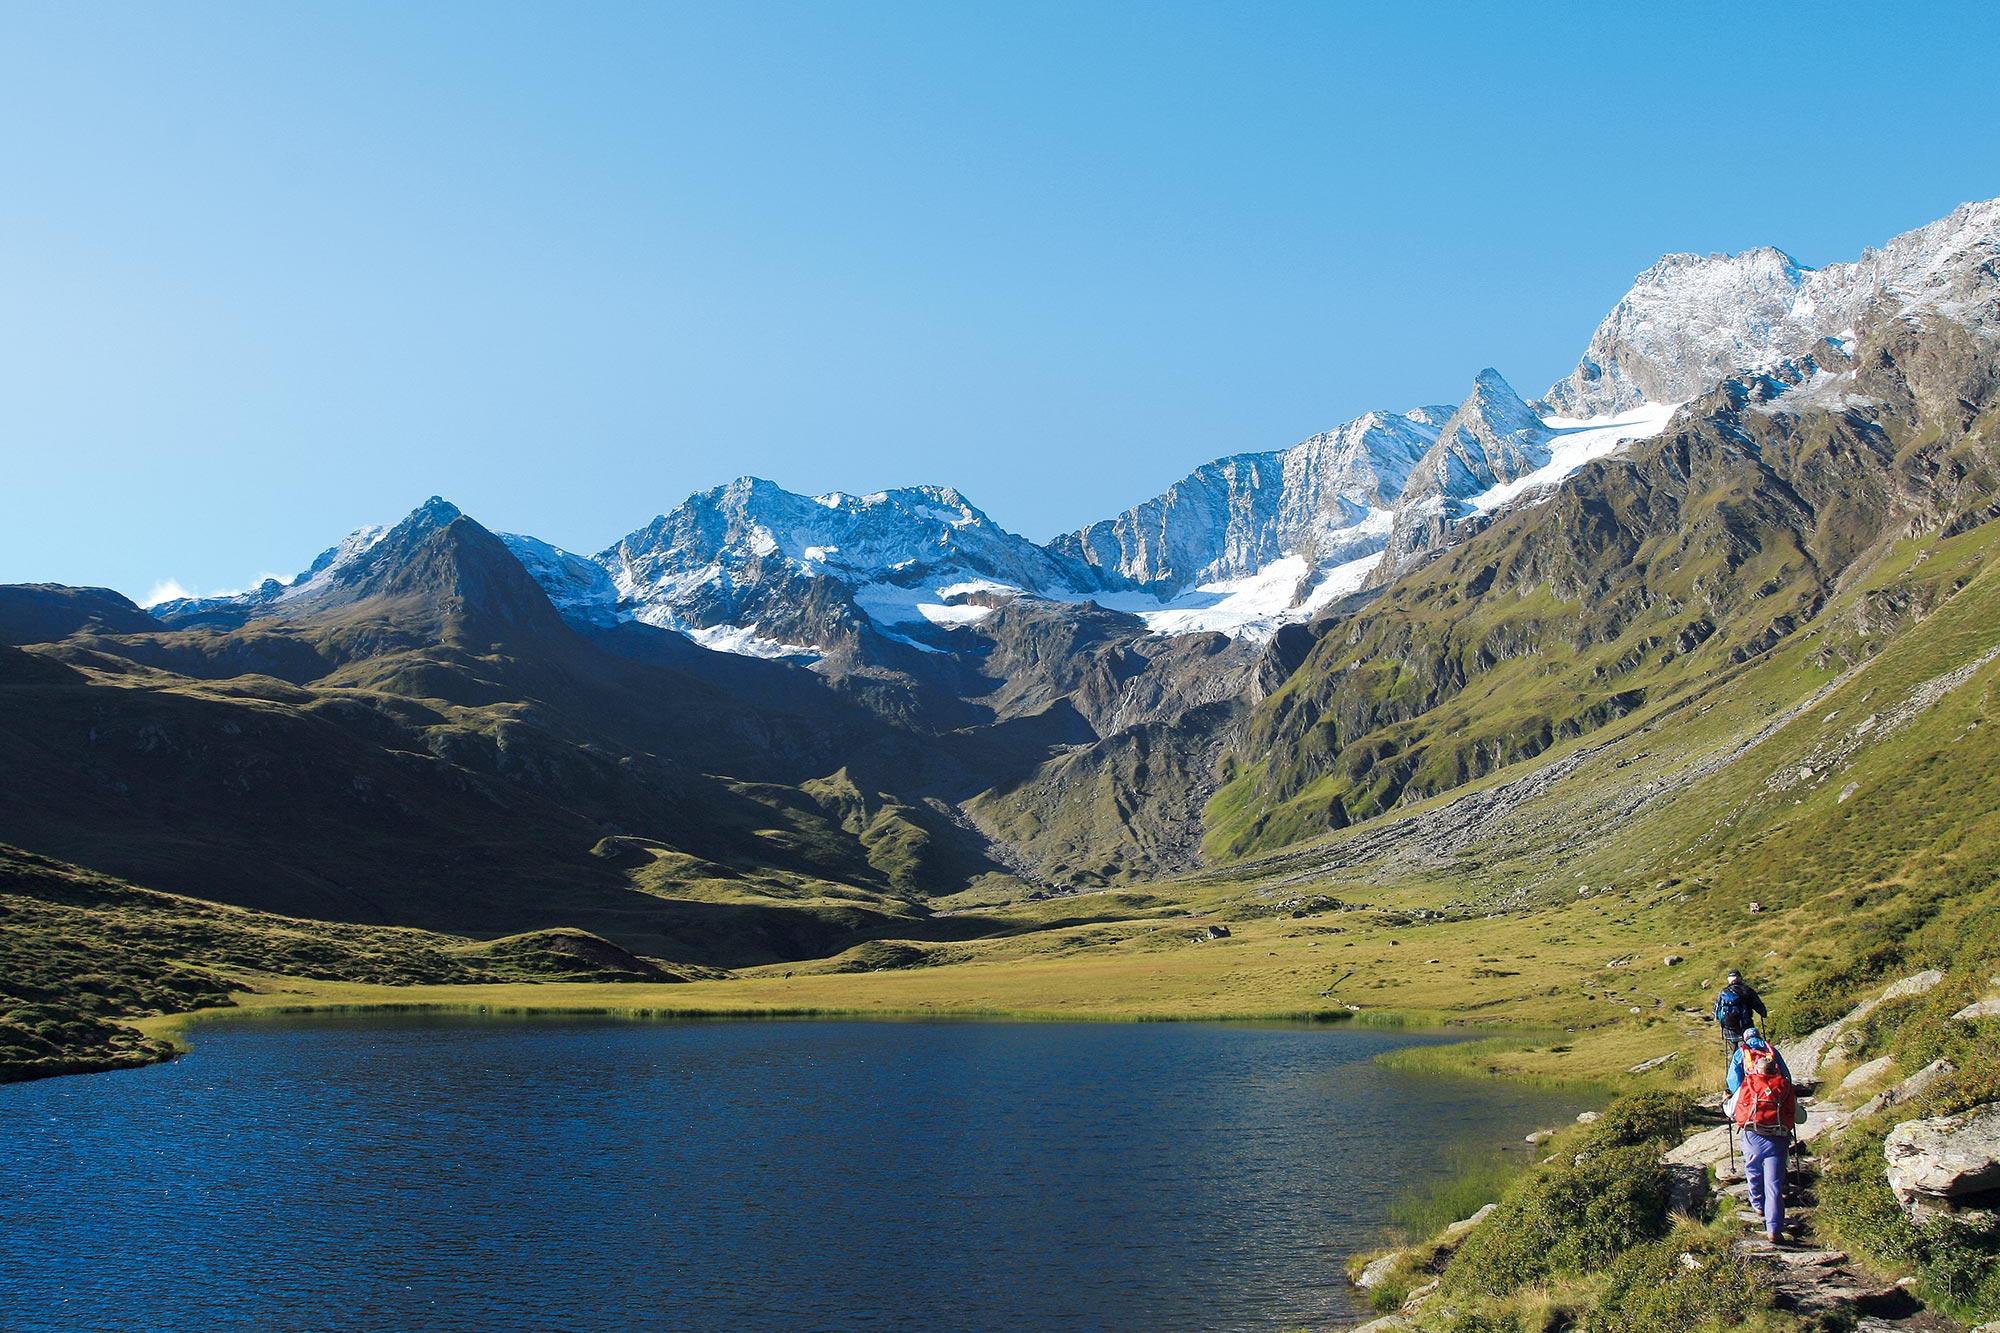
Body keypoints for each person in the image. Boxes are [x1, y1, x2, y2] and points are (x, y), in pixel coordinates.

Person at [1727, 1028, 1797, 1243]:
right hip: (1777, 1137)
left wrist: (1732, 1097)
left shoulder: (1745, 1066)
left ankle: (1757, 1205)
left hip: (1752, 1133)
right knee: (1774, 1184)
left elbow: (1731, 1103)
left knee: (1752, 1170)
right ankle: (1774, 1229)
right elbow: (1799, 1116)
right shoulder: (1773, 1055)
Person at [1713, 970, 1768, 1052]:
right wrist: (1763, 1013)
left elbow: (1716, 1012)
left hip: (1729, 1030)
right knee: (1748, 1052)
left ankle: (1736, 1063)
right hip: (1746, 1028)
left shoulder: (1723, 993)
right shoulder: (1747, 991)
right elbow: (1759, 1007)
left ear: (1729, 980)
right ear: (1740, 979)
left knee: (1735, 1054)